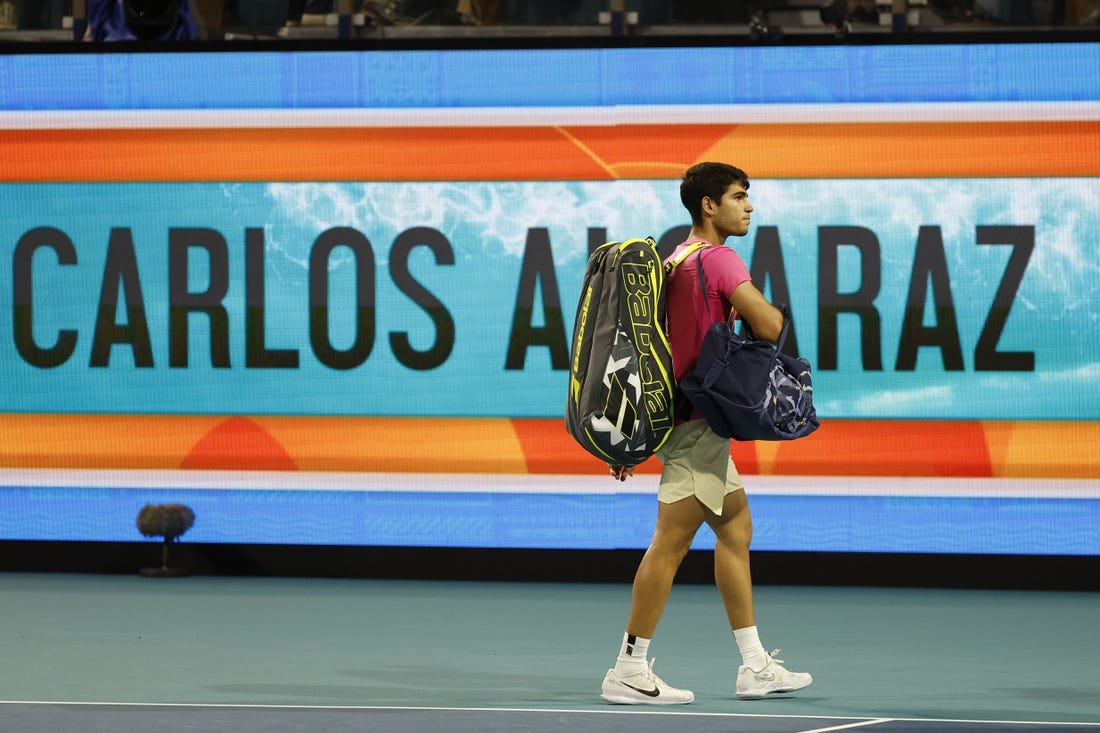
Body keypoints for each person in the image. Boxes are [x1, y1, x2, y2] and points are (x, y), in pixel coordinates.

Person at [599, 162, 813, 705]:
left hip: (685, 421)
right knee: (669, 545)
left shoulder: (673, 260)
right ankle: (628, 667)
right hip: (698, 427)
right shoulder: (718, 258)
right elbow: (768, 327)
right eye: (740, 197)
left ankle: (754, 665)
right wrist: (755, 303)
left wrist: (636, 434)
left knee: (736, 526)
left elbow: (653, 354)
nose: (750, 207)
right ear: (709, 207)